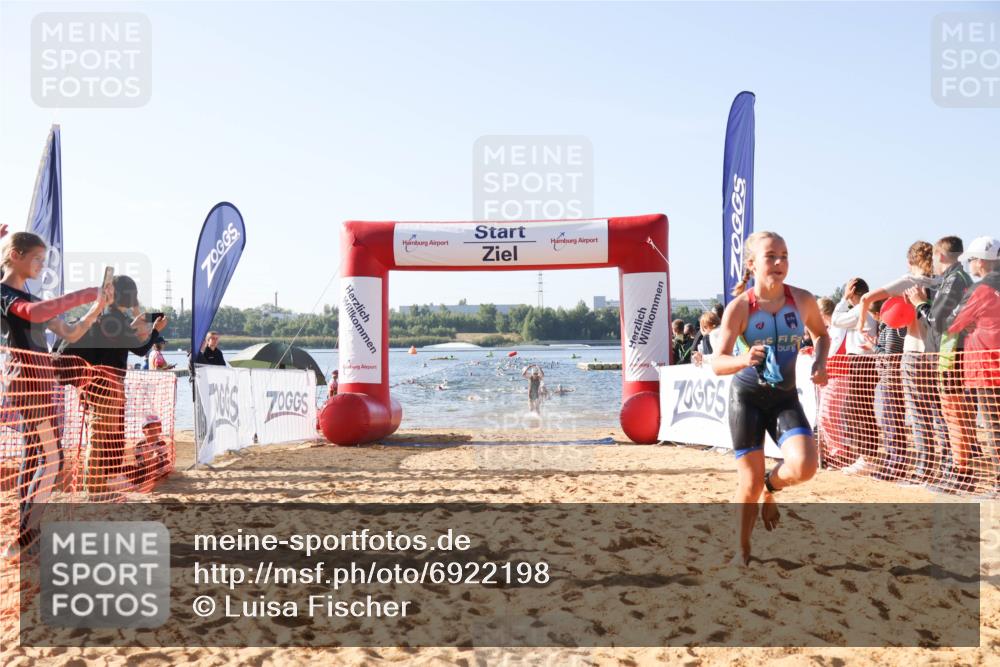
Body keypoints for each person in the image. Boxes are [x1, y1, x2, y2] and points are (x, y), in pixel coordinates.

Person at [711, 231, 829, 566]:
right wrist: (743, 359)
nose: (779, 263)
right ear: (751, 264)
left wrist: (820, 362)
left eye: (785, 256)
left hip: (784, 398)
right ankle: (743, 550)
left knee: (805, 468)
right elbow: (717, 363)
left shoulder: (802, 300)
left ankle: (771, 487)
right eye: (770, 256)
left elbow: (822, 335)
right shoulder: (740, 308)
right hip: (746, 399)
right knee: (746, 484)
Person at [1, 231, 111, 554]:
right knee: (53, 458)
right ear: (15, 256)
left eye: (43, 261)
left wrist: (95, 307)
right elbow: (32, 315)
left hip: (38, 382)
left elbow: (70, 332)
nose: (40, 265)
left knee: (35, 455)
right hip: (25, 381)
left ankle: (25, 534)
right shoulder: (6, 294)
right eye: (36, 258)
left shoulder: (34, 299)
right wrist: (83, 293)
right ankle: (25, 536)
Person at [65, 274, 167, 499]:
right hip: (107, 384)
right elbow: (140, 349)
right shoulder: (114, 319)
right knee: (100, 434)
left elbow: (127, 341)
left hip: (97, 382)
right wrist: (156, 331)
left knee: (100, 433)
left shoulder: (110, 318)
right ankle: (94, 486)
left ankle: (97, 484)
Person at [907, 236, 976, 491]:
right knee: (953, 413)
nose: (932, 263)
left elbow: (937, 320)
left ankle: (962, 474)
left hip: (952, 353)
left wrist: (920, 303)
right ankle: (958, 469)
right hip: (949, 353)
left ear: (942, 256)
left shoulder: (955, 279)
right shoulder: (955, 278)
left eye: (934, 257)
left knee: (955, 413)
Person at [947, 236, 1000, 492]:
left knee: (994, 428)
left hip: (987, 370)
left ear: (981, 261)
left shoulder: (981, 291)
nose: (969, 264)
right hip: (989, 366)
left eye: (971, 260)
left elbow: (952, 324)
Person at [830, 278, 879, 476]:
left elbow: (835, 319)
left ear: (852, 293)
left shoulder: (860, 309)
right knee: (858, 409)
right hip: (863, 361)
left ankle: (867, 457)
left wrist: (843, 299)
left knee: (858, 409)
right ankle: (866, 456)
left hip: (861, 361)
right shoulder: (864, 308)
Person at [127, 414, 171, 487]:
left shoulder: (161, 444)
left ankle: (156, 478)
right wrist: (148, 460)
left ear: (159, 430)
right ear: (144, 431)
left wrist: (154, 459)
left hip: (156, 469)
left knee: (167, 463)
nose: (153, 432)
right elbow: (140, 463)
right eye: (150, 430)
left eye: (156, 429)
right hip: (144, 471)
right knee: (128, 468)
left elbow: (163, 459)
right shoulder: (139, 445)